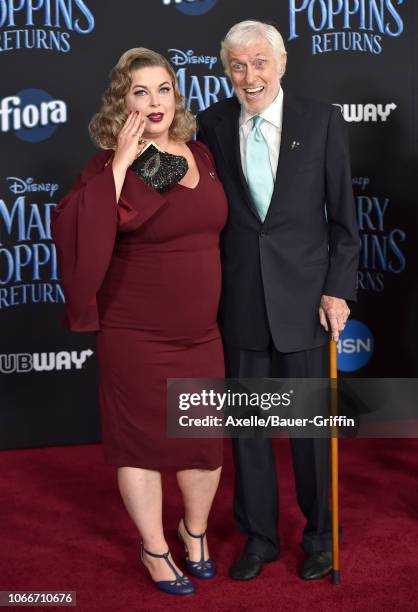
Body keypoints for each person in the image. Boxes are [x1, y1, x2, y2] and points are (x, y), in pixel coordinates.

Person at [51, 48, 228, 596]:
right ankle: (154, 549)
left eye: (163, 90)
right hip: (136, 333)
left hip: (201, 332)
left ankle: (192, 533)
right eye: (140, 92)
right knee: (139, 445)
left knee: (204, 441)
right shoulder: (107, 165)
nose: (153, 102)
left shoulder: (200, 152)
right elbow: (76, 230)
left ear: (177, 97)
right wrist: (123, 165)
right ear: (121, 102)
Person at [197, 21, 360, 581]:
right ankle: (260, 538)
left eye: (260, 62)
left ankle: (319, 536)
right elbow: (188, 194)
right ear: (226, 70)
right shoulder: (213, 124)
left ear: (281, 64)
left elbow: (344, 220)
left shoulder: (321, 120)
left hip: (307, 302)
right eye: (238, 66)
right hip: (240, 301)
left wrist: (338, 288)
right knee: (248, 432)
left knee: (313, 433)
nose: (250, 76)